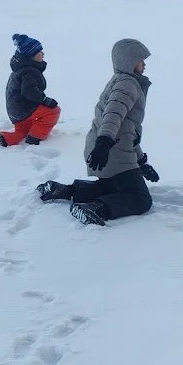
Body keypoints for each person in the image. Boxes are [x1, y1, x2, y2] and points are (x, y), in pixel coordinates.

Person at [36, 38, 158, 225]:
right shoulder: (128, 84)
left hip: (108, 149)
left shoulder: (121, 81)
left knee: (111, 188)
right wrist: (105, 141)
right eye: (140, 60)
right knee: (140, 199)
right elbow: (113, 114)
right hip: (111, 151)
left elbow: (128, 131)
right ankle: (96, 209)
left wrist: (141, 162)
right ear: (129, 61)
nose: (144, 64)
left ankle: (63, 190)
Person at [0, 33, 60, 146]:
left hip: (16, 111)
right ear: (31, 56)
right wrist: (45, 100)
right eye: (39, 52)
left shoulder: (21, 69)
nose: (43, 54)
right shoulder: (29, 71)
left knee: (23, 132)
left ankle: (3, 139)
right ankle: (34, 138)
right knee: (54, 111)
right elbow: (29, 92)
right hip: (24, 108)